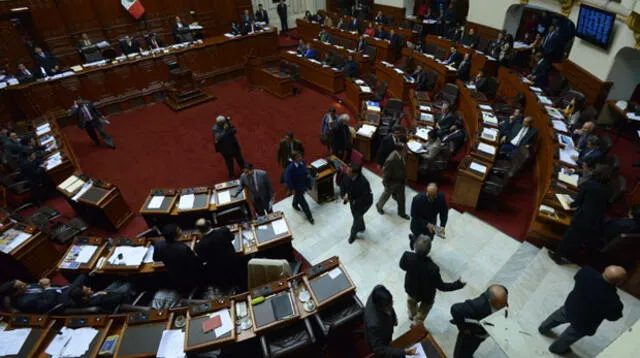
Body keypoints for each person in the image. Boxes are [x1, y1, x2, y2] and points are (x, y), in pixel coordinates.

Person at [538, 266, 625, 355]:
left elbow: (576, 277)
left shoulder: (587, 272)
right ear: (619, 282)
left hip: (571, 306)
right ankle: (556, 349)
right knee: (569, 336)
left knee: (557, 317)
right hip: (585, 322)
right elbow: (613, 317)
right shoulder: (614, 302)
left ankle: (543, 328)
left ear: (604, 270)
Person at [549, 165, 612, 264]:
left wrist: (568, 202)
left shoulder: (588, 184)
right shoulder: (609, 191)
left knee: (569, 237)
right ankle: (569, 257)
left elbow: (577, 202)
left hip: (582, 217)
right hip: (595, 221)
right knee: (578, 240)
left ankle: (558, 256)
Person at [400, 236, 465, 327]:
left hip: (411, 289)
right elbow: (441, 286)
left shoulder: (407, 256)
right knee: (423, 311)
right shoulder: (433, 268)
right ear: (429, 250)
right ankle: (416, 323)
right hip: (427, 295)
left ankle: (412, 315)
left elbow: (402, 266)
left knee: (411, 303)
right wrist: (458, 284)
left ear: (415, 246)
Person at [451, 285, 509, 358]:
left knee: (471, 349)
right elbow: (455, 309)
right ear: (490, 301)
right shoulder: (478, 306)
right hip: (471, 336)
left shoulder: (503, 294)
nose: (504, 306)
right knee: (461, 355)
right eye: (500, 304)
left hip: (481, 334)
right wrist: (464, 329)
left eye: (505, 301)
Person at [364, 285, 418, 357]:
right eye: (388, 306)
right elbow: (379, 350)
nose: (391, 306)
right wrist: (403, 352)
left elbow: (389, 307)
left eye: (392, 303)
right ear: (380, 307)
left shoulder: (378, 289)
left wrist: (393, 319)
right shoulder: (374, 324)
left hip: (385, 327)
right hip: (381, 338)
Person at [153, 224, 201, 291]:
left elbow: (156, 259)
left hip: (172, 275)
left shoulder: (158, 245)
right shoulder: (184, 248)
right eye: (179, 230)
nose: (181, 230)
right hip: (187, 276)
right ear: (176, 235)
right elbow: (194, 263)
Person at [194, 219, 240, 290]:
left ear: (199, 230)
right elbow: (232, 237)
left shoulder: (200, 245)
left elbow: (203, 259)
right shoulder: (224, 230)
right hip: (233, 262)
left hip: (218, 272)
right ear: (209, 223)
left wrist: (201, 239)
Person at [1, 277, 78, 313]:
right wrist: (47, 287)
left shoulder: (25, 288)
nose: (25, 284)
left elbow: (43, 286)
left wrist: (42, 283)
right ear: (16, 293)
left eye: (22, 282)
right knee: (83, 277)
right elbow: (49, 303)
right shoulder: (25, 302)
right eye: (22, 286)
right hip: (61, 300)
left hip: (60, 290)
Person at [341, 163, 373, 244]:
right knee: (356, 215)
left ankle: (353, 234)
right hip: (353, 201)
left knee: (356, 219)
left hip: (363, 204)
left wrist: (352, 199)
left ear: (355, 173)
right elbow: (343, 186)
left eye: (348, 170)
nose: (346, 171)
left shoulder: (364, 182)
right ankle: (361, 227)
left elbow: (365, 197)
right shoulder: (347, 176)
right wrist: (343, 195)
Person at [376, 141, 409, 220]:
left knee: (402, 197)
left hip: (400, 180)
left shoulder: (402, 155)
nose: (407, 150)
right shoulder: (391, 159)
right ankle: (379, 206)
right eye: (405, 149)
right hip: (391, 181)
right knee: (386, 195)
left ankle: (402, 213)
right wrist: (386, 182)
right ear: (400, 150)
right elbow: (386, 171)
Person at [410, 183, 448, 248]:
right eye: (429, 196)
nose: (431, 198)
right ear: (426, 192)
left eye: (433, 196)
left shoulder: (441, 197)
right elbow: (414, 215)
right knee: (416, 239)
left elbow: (444, 212)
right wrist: (427, 224)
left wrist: (442, 225)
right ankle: (413, 241)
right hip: (418, 225)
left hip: (432, 225)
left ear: (437, 193)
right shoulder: (417, 199)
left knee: (428, 240)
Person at [68, 278, 133, 312]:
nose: (89, 288)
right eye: (87, 290)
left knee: (120, 280)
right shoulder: (98, 300)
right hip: (118, 297)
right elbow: (119, 297)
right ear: (84, 297)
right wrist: (106, 293)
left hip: (104, 294)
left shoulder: (77, 300)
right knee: (130, 281)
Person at [284, 151, 314, 224]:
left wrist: (307, 173)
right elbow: (288, 180)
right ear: (294, 159)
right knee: (304, 203)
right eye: (298, 157)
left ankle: (294, 204)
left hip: (303, 185)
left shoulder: (302, 162)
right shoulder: (290, 169)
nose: (301, 158)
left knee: (298, 197)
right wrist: (292, 189)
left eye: (300, 156)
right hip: (297, 188)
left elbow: (305, 169)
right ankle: (309, 216)